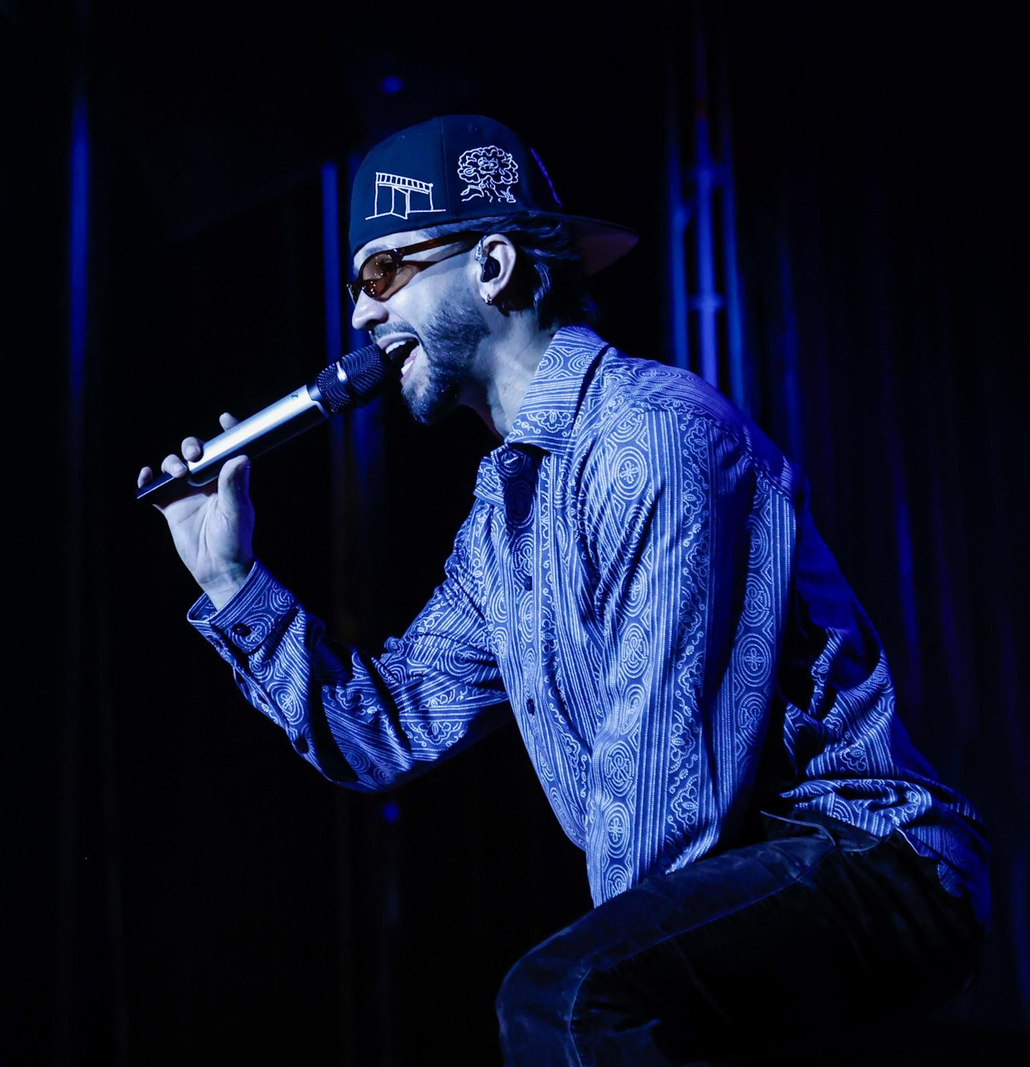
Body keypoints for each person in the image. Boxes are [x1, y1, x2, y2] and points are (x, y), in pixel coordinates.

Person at [137, 115, 987, 1064]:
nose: (362, 319)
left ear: (493, 264)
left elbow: (667, 797)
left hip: (872, 857)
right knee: (582, 987)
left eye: (383, 276)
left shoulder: (648, 436)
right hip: (749, 876)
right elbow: (386, 727)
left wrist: (607, 977)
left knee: (569, 993)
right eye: (356, 289)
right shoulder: (502, 523)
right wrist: (231, 580)